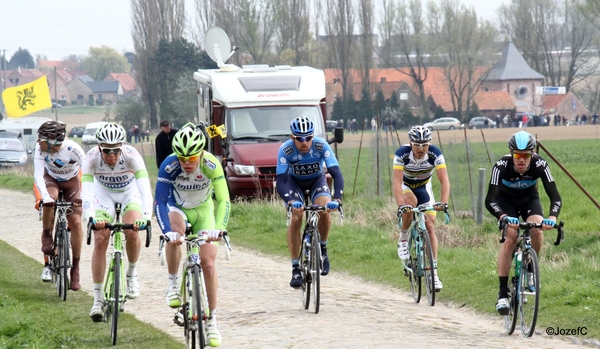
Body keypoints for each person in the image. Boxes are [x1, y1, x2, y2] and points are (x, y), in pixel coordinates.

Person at [155, 123, 230, 347]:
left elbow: (224, 200)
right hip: (177, 207)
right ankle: (172, 282)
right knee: (175, 232)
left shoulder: (210, 163)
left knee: (208, 263)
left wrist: (219, 228)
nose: (186, 163)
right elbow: (159, 201)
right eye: (182, 158)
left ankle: (212, 321)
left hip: (203, 209)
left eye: (191, 158)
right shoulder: (169, 165)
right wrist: (167, 232)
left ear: (201, 153)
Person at [485, 131, 562, 315]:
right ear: (511, 154)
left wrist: (551, 218)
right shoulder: (501, 166)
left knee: (537, 230)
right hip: (505, 202)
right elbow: (490, 200)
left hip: (529, 200)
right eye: (517, 156)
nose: (521, 160)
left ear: (532, 155)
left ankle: (529, 270)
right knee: (510, 239)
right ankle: (503, 294)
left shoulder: (540, 164)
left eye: (525, 156)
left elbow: (555, 197)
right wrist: (503, 217)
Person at [82, 123, 153, 322]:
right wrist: (90, 217)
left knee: (132, 231)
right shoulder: (90, 159)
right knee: (100, 240)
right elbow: (86, 192)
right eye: (107, 150)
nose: (111, 155)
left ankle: (131, 273)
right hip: (102, 195)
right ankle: (97, 300)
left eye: (115, 150)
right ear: (99, 148)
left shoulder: (132, 156)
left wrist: (146, 217)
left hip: (130, 193)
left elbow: (145, 189)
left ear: (122, 147)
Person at [275, 116, 344, 288]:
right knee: (296, 217)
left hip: (317, 181)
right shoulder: (286, 150)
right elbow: (281, 181)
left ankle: (323, 250)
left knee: (324, 209)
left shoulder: (321, 146)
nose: (304, 142)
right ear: (293, 138)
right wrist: (290, 201)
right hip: (294, 184)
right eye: (299, 138)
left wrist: (337, 199)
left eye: (308, 138)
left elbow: (336, 173)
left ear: (313, 137)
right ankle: (295, 268)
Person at [393, 126, 450, 291]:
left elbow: (444, 179)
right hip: (406, 187)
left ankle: (434, 273)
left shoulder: (435, 153)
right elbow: (396, 181)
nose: (421, 149)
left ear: (429, 143)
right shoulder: (402, 153)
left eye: (424, 144)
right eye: (417, 144)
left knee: (430, 226)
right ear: (411, 143)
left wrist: (443, 202)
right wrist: (400, 205)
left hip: (424, 187)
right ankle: (403, 237)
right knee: (409, 205)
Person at [34, 121, 85, 290]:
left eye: (41, 139)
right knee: (51, 199)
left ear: (53, 141)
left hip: (72, 182)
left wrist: (83, 196)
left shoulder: (72, 148)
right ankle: (47, 234)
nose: (38, 142)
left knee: (76, 222)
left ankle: (75, 268)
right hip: (51, 180)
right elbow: (38, 175)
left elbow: (89, 173)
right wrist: (46, 197)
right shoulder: (40, 149)